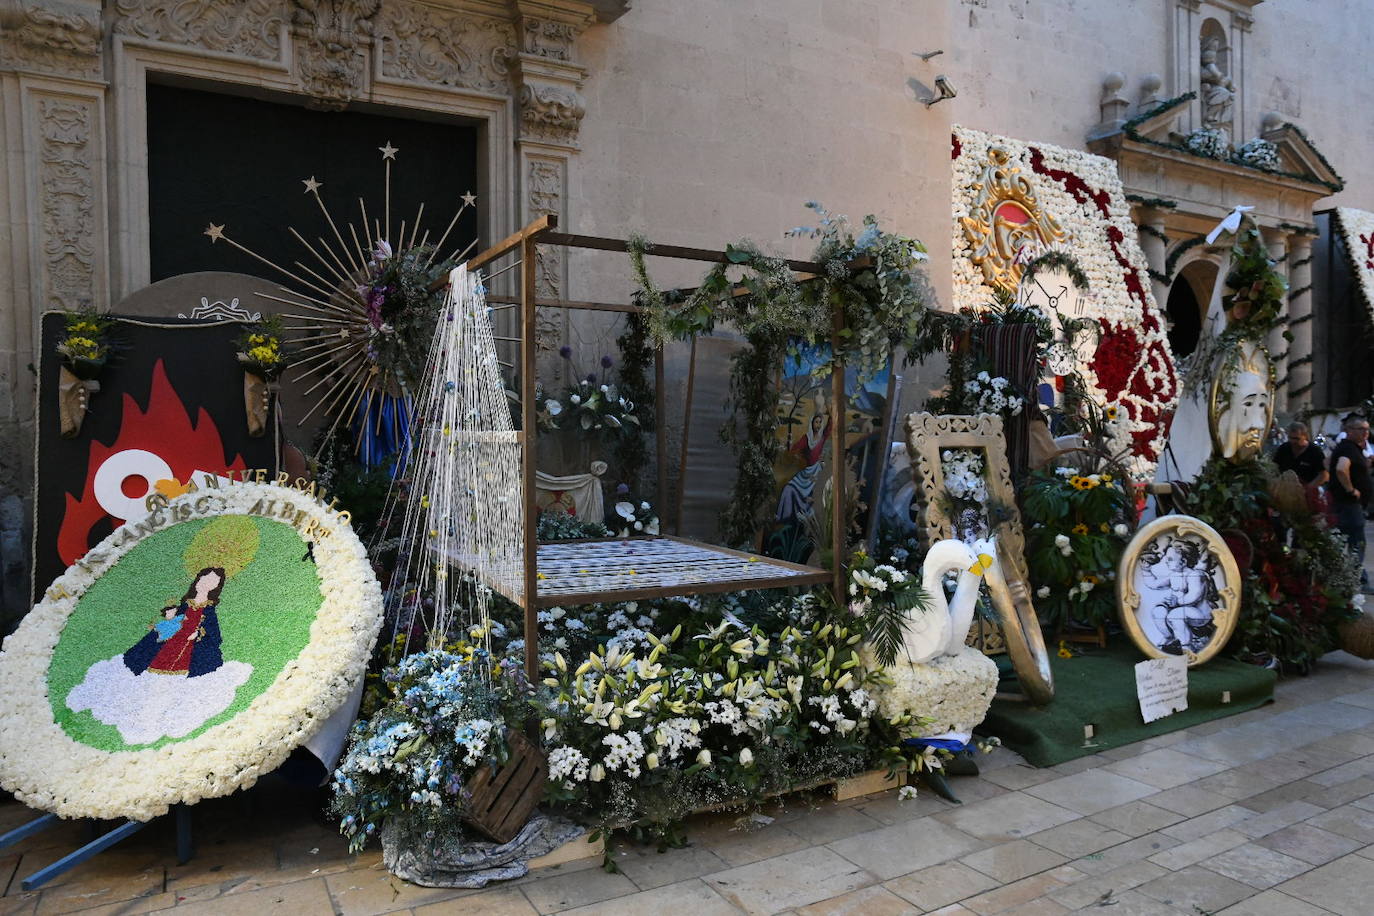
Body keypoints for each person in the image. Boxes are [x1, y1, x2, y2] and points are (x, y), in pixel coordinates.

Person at [1329, 415, 1371, 589]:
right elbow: (1341, 468)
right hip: (1348, 505)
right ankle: (1355, 580)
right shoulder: (1348, 449)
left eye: (1367, 430)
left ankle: (1352, 577)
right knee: (1355, 542)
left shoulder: (1352, 448)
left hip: (1347, 505)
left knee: (1346, 541)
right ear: (1350, 431)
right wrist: (1351, 490)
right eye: (1362, 429)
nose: (1366, 433)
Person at [1275, 421, 1328, 486]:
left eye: (1296, 438)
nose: (1292, 441)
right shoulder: (1283, 448)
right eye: (1290, 438)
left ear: (1305, 436)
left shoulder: (1315, 451)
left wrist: (1309, 488)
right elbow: (1275, 467)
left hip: (1308, 490)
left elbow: (1324, 475)